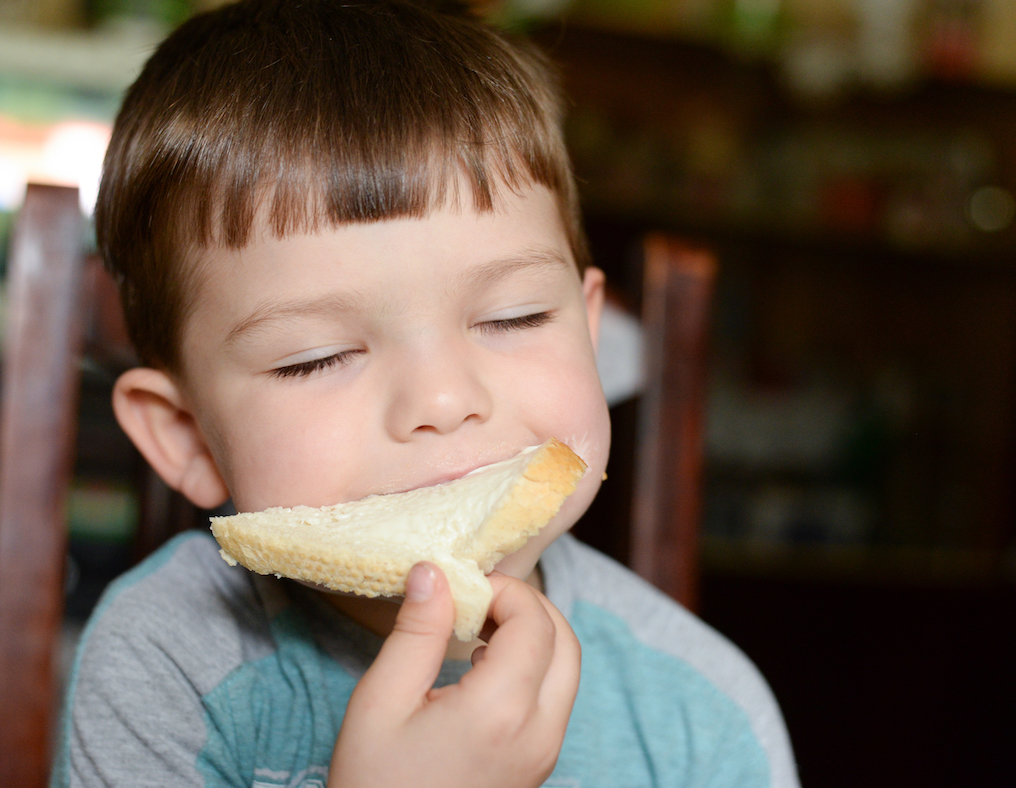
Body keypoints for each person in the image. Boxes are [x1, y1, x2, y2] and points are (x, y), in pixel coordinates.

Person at [52, 1, 799, 786]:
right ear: (185, 436)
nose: (442, 400)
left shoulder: (701, 710)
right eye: (316, 358)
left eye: (514, 317)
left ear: (586, 331)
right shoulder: (167, 659)